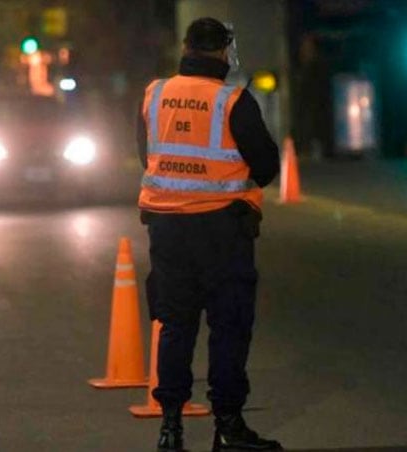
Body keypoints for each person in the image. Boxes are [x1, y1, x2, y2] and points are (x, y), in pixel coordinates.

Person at [137, 17, 282, 452]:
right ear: (224, 52)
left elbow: (147, 154)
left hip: (167, 230)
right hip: (223, 231)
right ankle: (228, 425)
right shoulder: (233, 101)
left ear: (186, 47)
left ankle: (170, 427)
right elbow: (267, 166)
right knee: (229, 327)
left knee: (176, 325)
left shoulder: (155, 94)